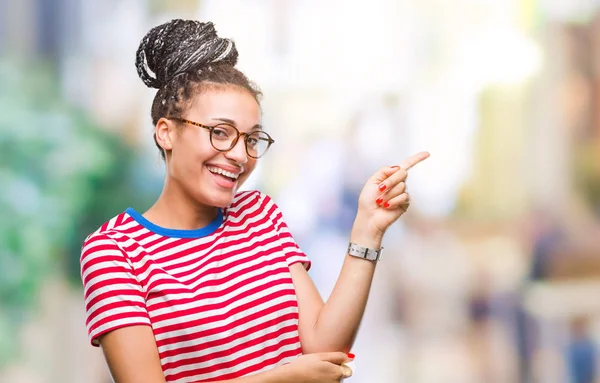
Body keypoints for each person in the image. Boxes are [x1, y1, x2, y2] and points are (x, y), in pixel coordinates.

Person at [80, 19, 429, 383]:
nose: (239, 155)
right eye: (220, 132)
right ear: (166, 132)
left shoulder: (259, 215)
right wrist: (279, 379)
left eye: (251, 139)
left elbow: (325, 350)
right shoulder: (115, 252)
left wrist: (367, 231)